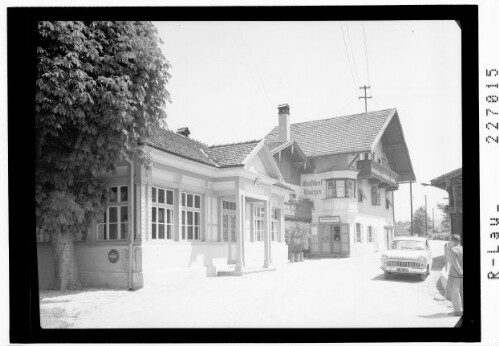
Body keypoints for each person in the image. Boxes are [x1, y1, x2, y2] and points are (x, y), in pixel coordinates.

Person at [447, 234, 463, 316]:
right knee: (461, 293)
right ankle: (461, 310)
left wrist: (460, 272)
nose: (450, 242)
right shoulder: (462, 248)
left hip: (455, 275)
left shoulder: (453, 250)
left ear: (454, 241)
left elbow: (455, 264)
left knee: (455, 294)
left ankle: (457, 311)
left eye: (450, 240)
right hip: (461, 276)